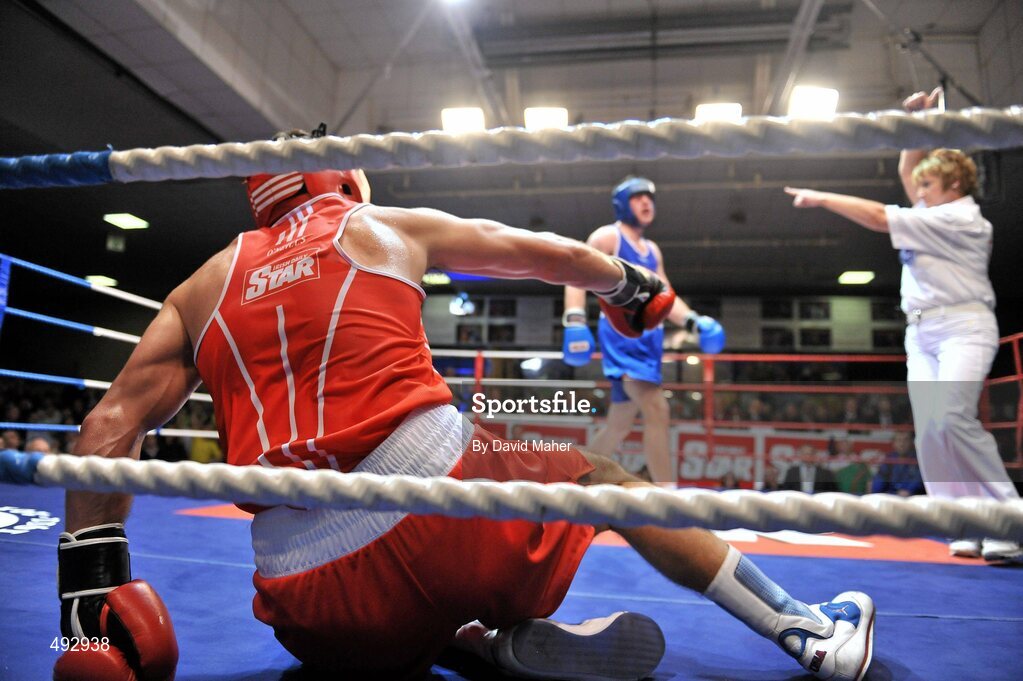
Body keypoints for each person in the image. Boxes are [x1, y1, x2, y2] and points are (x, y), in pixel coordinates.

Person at [55, 128, 873, 681]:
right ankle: (806, 627)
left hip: (306, 606)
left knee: (393, 596)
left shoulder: (199, 288)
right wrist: (634, 288)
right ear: (345, 173)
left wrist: (87, 622)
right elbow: (541, 255)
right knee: (605, 476)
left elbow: (106, 429)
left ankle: (469, 640)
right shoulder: (376, 224)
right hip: (441, 518)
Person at [784, 87, 1021, 563]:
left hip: (963, 326)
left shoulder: (961, 219)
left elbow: (875, 215)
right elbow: (906, 172)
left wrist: (821, 196)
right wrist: (917, 121)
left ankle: (1009, 519)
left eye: (927, 186)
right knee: (931, 430)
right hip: (922, 331)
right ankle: (962, 521)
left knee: (954, 419)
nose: (918, 191)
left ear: (953, 186)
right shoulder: (929, 210)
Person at [562, 177, 725, 484]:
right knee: (657, 409)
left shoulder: (652, 250)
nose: (647, 203)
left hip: (649, 340)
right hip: (623, 337)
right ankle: (666, 499)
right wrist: (574, 319)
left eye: (650, 198)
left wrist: (694, 321)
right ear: (623, 204)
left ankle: (573, 479)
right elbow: (575, 273)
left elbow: (665, 296)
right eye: (638, 198)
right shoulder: (608, 237)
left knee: (619, 425)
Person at [871, 431, 925, 496]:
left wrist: (909, 490)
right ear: (894, 443)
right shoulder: (889, 459)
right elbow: (879, 482)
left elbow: (918, 481)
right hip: (892, 496)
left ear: (911, 442)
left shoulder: (918, 459)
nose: (902, 444)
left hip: (912, 498)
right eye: (899, 440)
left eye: (906, 440)